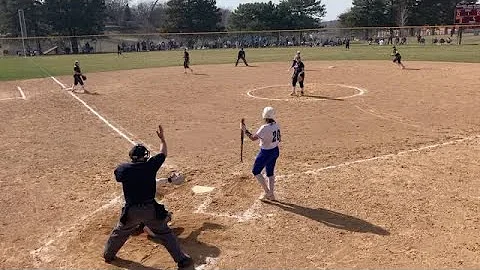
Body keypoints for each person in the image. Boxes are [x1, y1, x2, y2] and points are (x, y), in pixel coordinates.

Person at [103, 125, 193, 268]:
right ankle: (182, 260)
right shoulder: (150, 166)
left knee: (120, 232)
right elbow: (163, 153)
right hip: (150, 210)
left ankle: (108, 254)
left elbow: (118, 175)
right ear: (145, 157)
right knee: (165, 233)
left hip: (131, 211)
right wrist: (162, 139)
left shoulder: (123, 169)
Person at [242, 107, 281, 201]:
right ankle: (271, 194)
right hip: (275, 150)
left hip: (265, 152)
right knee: (270, 172)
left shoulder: (264, 128)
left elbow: (253, 138)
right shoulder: (277, 125)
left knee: (255, 171)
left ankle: (268, 192)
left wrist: (245, 130)